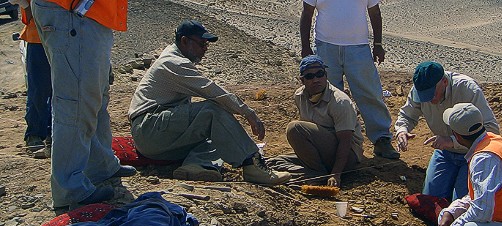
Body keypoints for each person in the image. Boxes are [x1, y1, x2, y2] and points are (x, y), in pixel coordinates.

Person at [128, 20, 290, 185]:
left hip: (156, 133)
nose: (205, 49)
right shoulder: (173, 63)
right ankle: (251, 164)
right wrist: (248, 113)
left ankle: (197, 166)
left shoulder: (176, 59)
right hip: (149, 130)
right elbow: (212, 91)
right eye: (201, 43)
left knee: (220, 132)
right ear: (184, 41)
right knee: (212, 111)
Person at [32, 0, 136, 210]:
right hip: (74, 12)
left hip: (88, 13)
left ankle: (100, 166)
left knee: (94, 95)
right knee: (77, 101)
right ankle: (70, 188)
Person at [300, 0, 400, 159]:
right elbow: (307, 13)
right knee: (328, 95)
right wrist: (305, 46)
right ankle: (331, 139)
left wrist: (378, 43)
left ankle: (381, 139)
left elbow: (375, 12)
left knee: (370, 93)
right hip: (325, 46)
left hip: (359, 47)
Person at [395, 61, 500, 202]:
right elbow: (407, 114)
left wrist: (452, 141)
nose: (430, 100)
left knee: (461, 203)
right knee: (431, 200)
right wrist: (402, 130)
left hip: (472, 154)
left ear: (444, 81)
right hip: (444, 153)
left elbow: (492, 131)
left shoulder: (467, 89)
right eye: (424, 96)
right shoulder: (419, 90)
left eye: (432, 94)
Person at [284, 55, 364, 187]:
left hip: (347, 155)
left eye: (319, 74)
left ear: (325, 75)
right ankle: (313, 172)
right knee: (273, 162)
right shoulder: (299, 96)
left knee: (295, 128)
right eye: (310, 76)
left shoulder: (340, 101)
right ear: (302, 80)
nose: (316, 80)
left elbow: (345, 141)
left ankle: (318, 174)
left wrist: (336, 174)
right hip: (321, 150)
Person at [10, 0, 51, 159]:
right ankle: (35, 133)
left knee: (60, 90)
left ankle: (53, 133)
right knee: (39, 90)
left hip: (64, 37)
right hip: (37, 37)